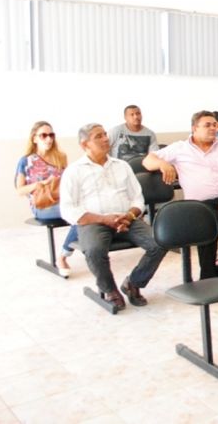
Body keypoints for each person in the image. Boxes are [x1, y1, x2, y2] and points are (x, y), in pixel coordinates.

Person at [60, 124, 167, 311]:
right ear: (85, 144)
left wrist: (130, 214)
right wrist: (104, 219)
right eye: (98, 137)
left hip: (126, 218)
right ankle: (110, 290)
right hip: (93, 221)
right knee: (94, 250)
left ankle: (133, 283)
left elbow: (137, 197)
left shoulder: (121, 165)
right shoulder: (74, 171)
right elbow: (68, 209)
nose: (105, 139)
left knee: (159, 243)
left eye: (105, 135)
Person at [143, 110, 218, 279]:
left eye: (214, 125)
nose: (213, 128)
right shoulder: (180, 148)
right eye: (207, 125)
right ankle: (208, 277)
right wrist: (163, 164)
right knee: (209, 225)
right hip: (199, 206)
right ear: (194, 128)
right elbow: (147, 161)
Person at [15, 121, 78, 276]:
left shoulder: (60, 157)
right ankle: (63, 257)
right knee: (79, 214)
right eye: (43, 135)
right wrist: (39, 184)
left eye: (51, 135)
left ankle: (70, 252)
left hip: (62, 201)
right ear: (34, 138)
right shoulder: (26, 161)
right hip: (42, 205)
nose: (48, 139)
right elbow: (20, 190)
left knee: (85, 213)